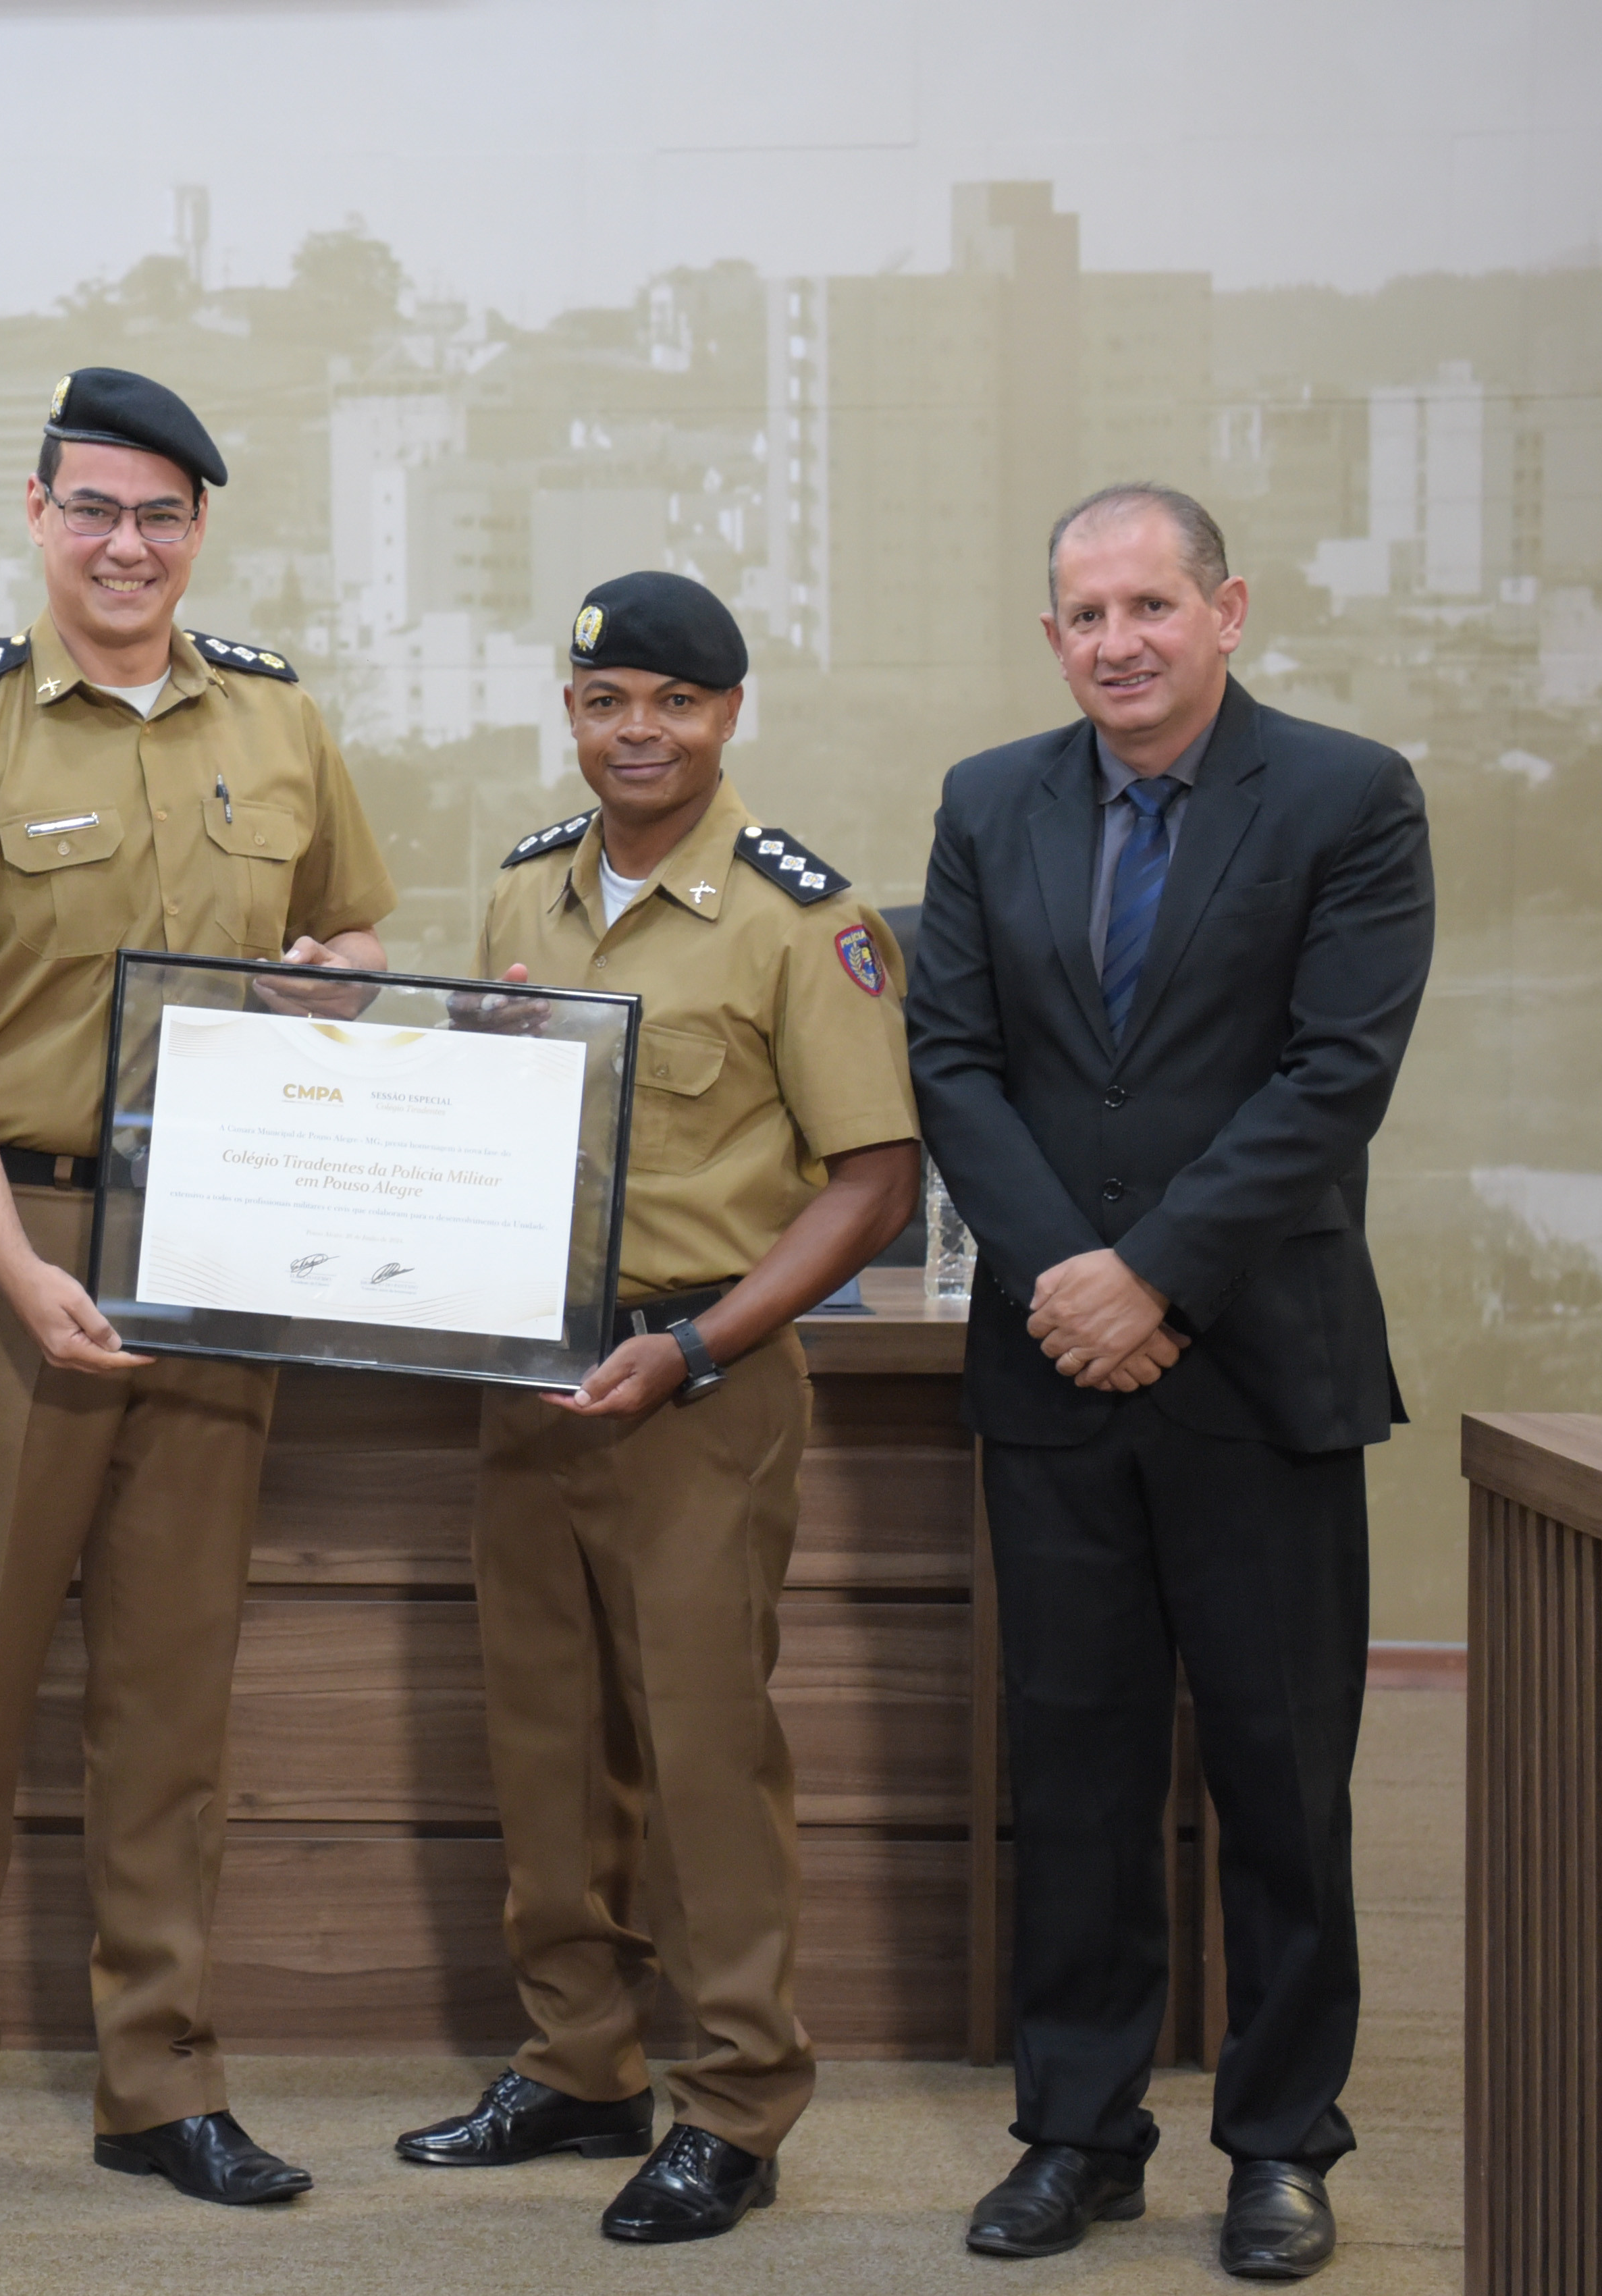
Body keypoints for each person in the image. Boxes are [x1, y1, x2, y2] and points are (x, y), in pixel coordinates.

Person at [0, 368, 397, 2214]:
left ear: (198, 528)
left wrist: (335, 974)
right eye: (93, 509)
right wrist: (14, 1267)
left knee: (169, 1693)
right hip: (20, 1247)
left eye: (159, 514)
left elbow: (353, 929)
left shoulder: (280, 720)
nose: (125, 545)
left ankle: (161, 2082)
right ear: (37, 514)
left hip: (218, 1250)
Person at [905, 486, 1433, 2281]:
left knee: (1282, 1778)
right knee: (1072, 1770)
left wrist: (1151, 1277)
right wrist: (1073, 1277)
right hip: (1057, 1368)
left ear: (1228, 611)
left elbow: (1334, 1074)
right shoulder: (990, 802)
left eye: (1149, 605)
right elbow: (954, 1062)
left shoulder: (1348, 797)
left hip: (1257, 1365)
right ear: (1051, 636)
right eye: (1085, 613)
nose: (1117, 640)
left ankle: (1280, 2144)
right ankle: (1078, 2133)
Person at [389, 572, 920, 2245]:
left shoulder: (799, 918)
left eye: (676, 703)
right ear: (571, 711)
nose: (640, 732)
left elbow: (873, 1184)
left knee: (702, 1758)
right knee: (547, 1748)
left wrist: (695, 1349)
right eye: (609, 700)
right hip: (532, 1381)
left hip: (700, 1388)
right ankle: (578, 2066)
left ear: (727, 715)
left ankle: (739, 2101)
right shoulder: (522, 889)